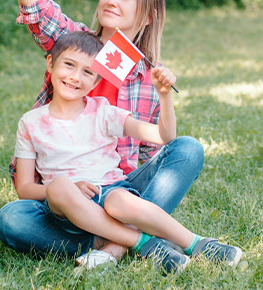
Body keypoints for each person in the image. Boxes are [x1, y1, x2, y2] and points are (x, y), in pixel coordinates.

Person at [0, 0, 242, 268]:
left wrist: (163, 100)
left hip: (119, 193)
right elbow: (32, 1)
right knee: (12, 219)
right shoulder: (74, 45)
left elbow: (153, 152)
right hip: (65, 199)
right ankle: (132, 243)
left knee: (187, 148)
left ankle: (111, 245)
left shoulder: (147, 76)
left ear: (146, 16)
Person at [14, 31, 243, 273]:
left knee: (123, 198)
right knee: (23, 210)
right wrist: (70, 188)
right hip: (67, 209)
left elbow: (164, 137)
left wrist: (164, 96)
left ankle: (196, 244)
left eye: (87, 72)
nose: (75, 77)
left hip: (111, 192)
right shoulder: (30, 122)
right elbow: (24, 188)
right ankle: (142, 241)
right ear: (50, 64)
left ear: (95, 81)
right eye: (69, 65)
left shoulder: (102, 111)